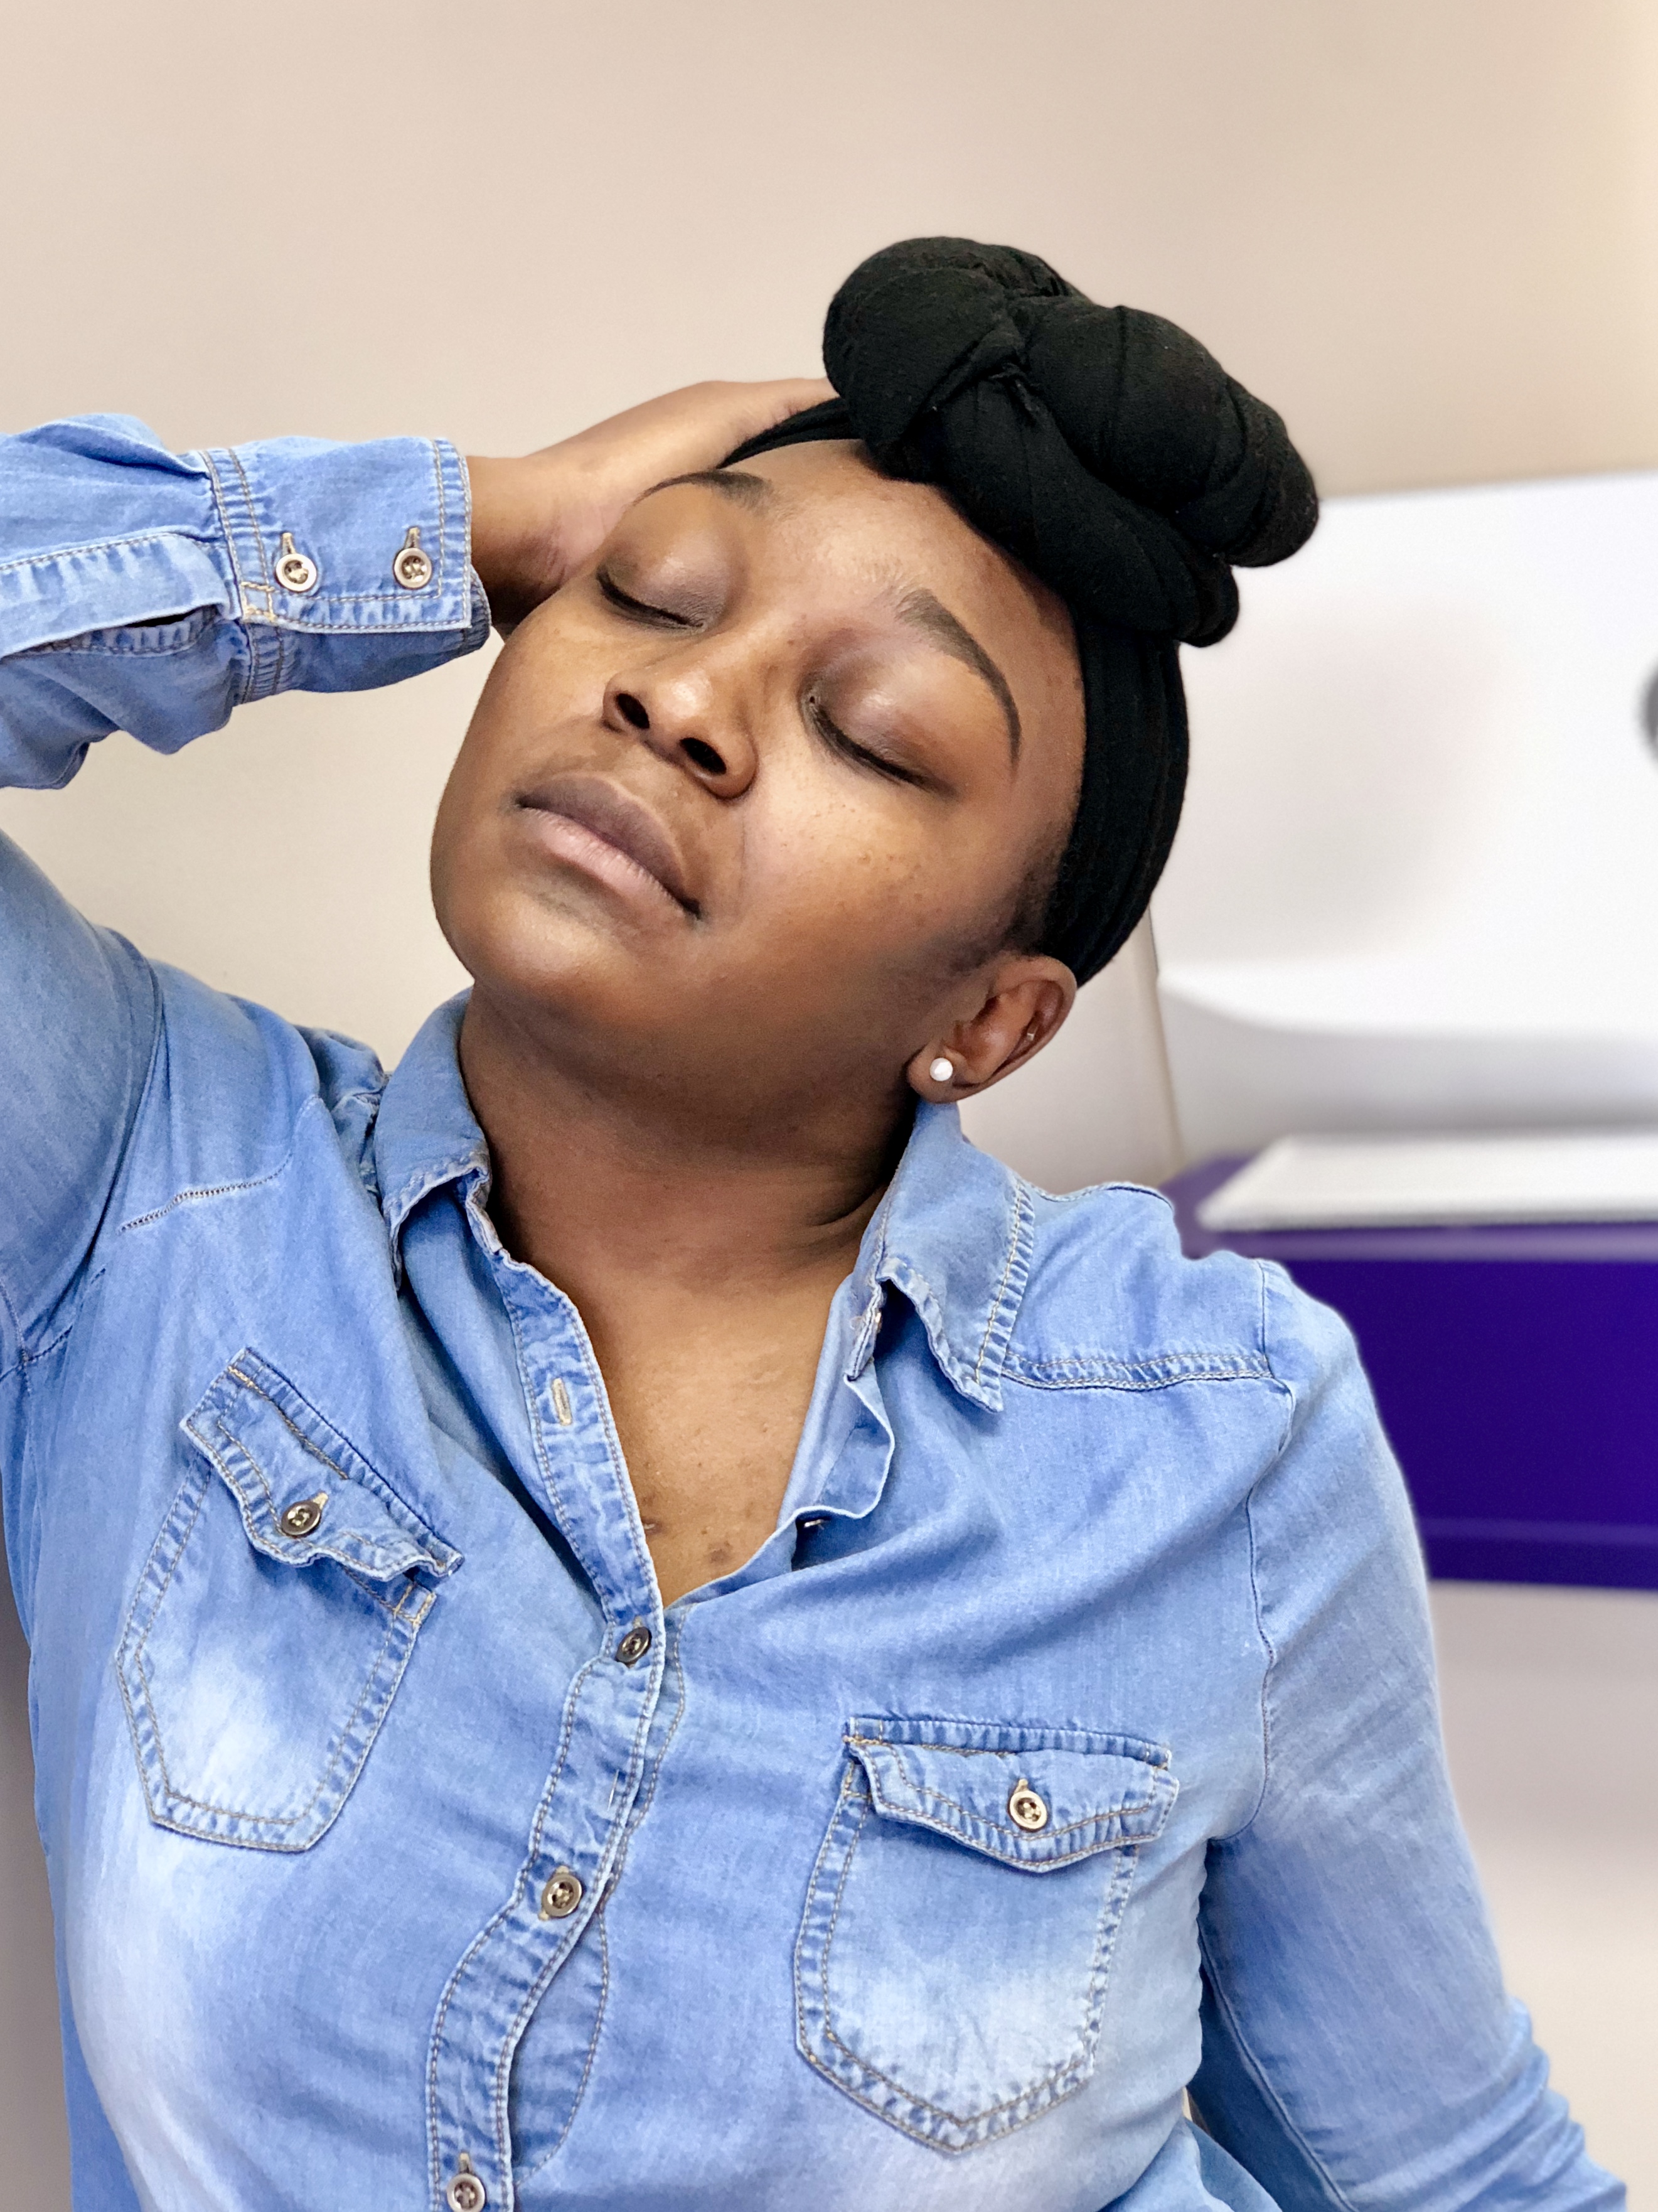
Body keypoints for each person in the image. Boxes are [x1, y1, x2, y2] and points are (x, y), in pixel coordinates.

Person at [0, 239, 1620, 2212]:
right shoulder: (149, 1182)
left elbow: (1455, 2177)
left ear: (991, 1019)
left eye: (872, 730)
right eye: (650, 587)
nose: (680, 696)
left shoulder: (1215, 1428)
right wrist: (483, 515)